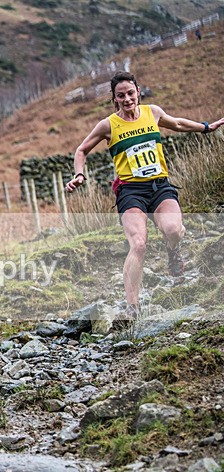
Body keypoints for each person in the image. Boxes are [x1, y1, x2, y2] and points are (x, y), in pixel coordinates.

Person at [65, 71, 224, 318]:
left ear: (138, 91)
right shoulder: (108, 125)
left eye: (130, 93)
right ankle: (132, 307)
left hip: (160, 187)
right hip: (131, 192)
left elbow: (179, 123)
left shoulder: (153, 112)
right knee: (138, 243)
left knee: (174, 230)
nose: (127, 99)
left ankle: (173, 253)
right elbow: (81, 150)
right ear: (114, 99)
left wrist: (206, 127)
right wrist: (79, 175)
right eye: (121, 96)